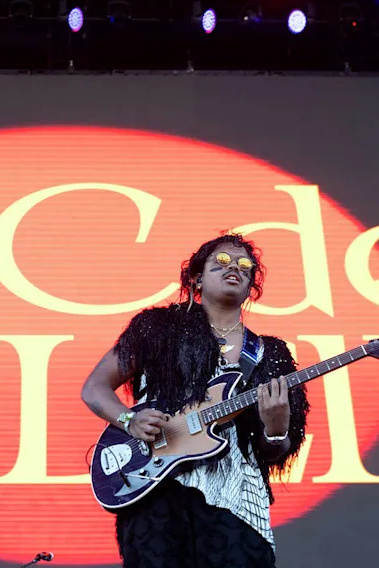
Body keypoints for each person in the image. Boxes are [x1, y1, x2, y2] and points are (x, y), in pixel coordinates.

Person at [81, 232, 309, 568]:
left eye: (245, 266)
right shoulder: (156, 327)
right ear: (197, 277)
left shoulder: (270, 353)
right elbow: (95, 387)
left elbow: (274, 451)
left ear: (250, 287)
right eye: (221, 261)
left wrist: (276, 430)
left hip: (237, 503)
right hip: (156, 486)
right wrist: (129, 421)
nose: (234, 267)